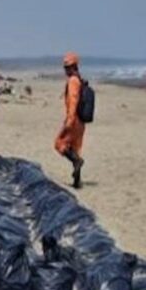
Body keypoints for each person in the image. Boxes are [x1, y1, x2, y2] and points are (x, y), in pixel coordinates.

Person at [54, 51, 85, 189]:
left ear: (73, 66)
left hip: (74, 120)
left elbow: (73, 101)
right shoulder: (79, 79)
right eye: (65, 67)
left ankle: (78, 162)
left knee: (59, 143)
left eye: (67, 67)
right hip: (81, 121)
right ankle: (77, 181)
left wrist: (69, 121)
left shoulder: (73, 81)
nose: (65, 70)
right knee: (75, 148)